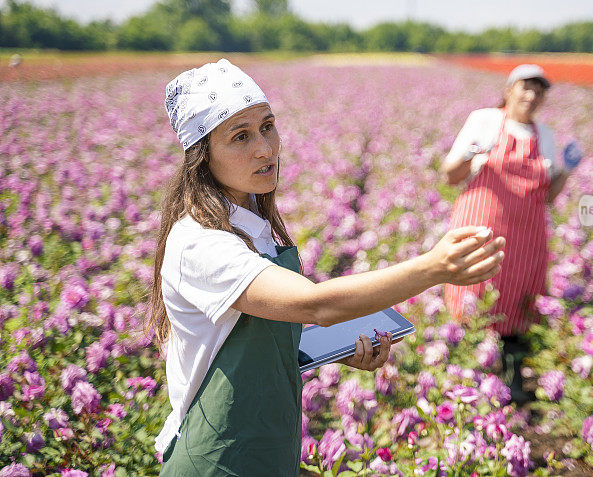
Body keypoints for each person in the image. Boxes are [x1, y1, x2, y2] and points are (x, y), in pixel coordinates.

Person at [146, 59, 506, 476]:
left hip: (266, 447)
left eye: (267, 126)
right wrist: (433, 268)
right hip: (220, 459)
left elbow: (250, 338)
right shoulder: (202, 243)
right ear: (202, 157)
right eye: (240, 137)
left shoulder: (249, 222)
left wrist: (328, 351)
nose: (265, 148)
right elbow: (315, 304)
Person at [441, 64, 579, 404]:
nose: (531, 96)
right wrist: (474, 152)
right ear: (509, 90)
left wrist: (566, 171)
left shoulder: (544, 134)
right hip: (482, 221)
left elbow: (547, 196)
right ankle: (465, 374)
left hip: (528, 232)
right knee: (475, 290)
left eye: (539, 90)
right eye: (525, 88)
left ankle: (512, 381)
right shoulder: (484, 120)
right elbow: (450, 176)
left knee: (520, 299)